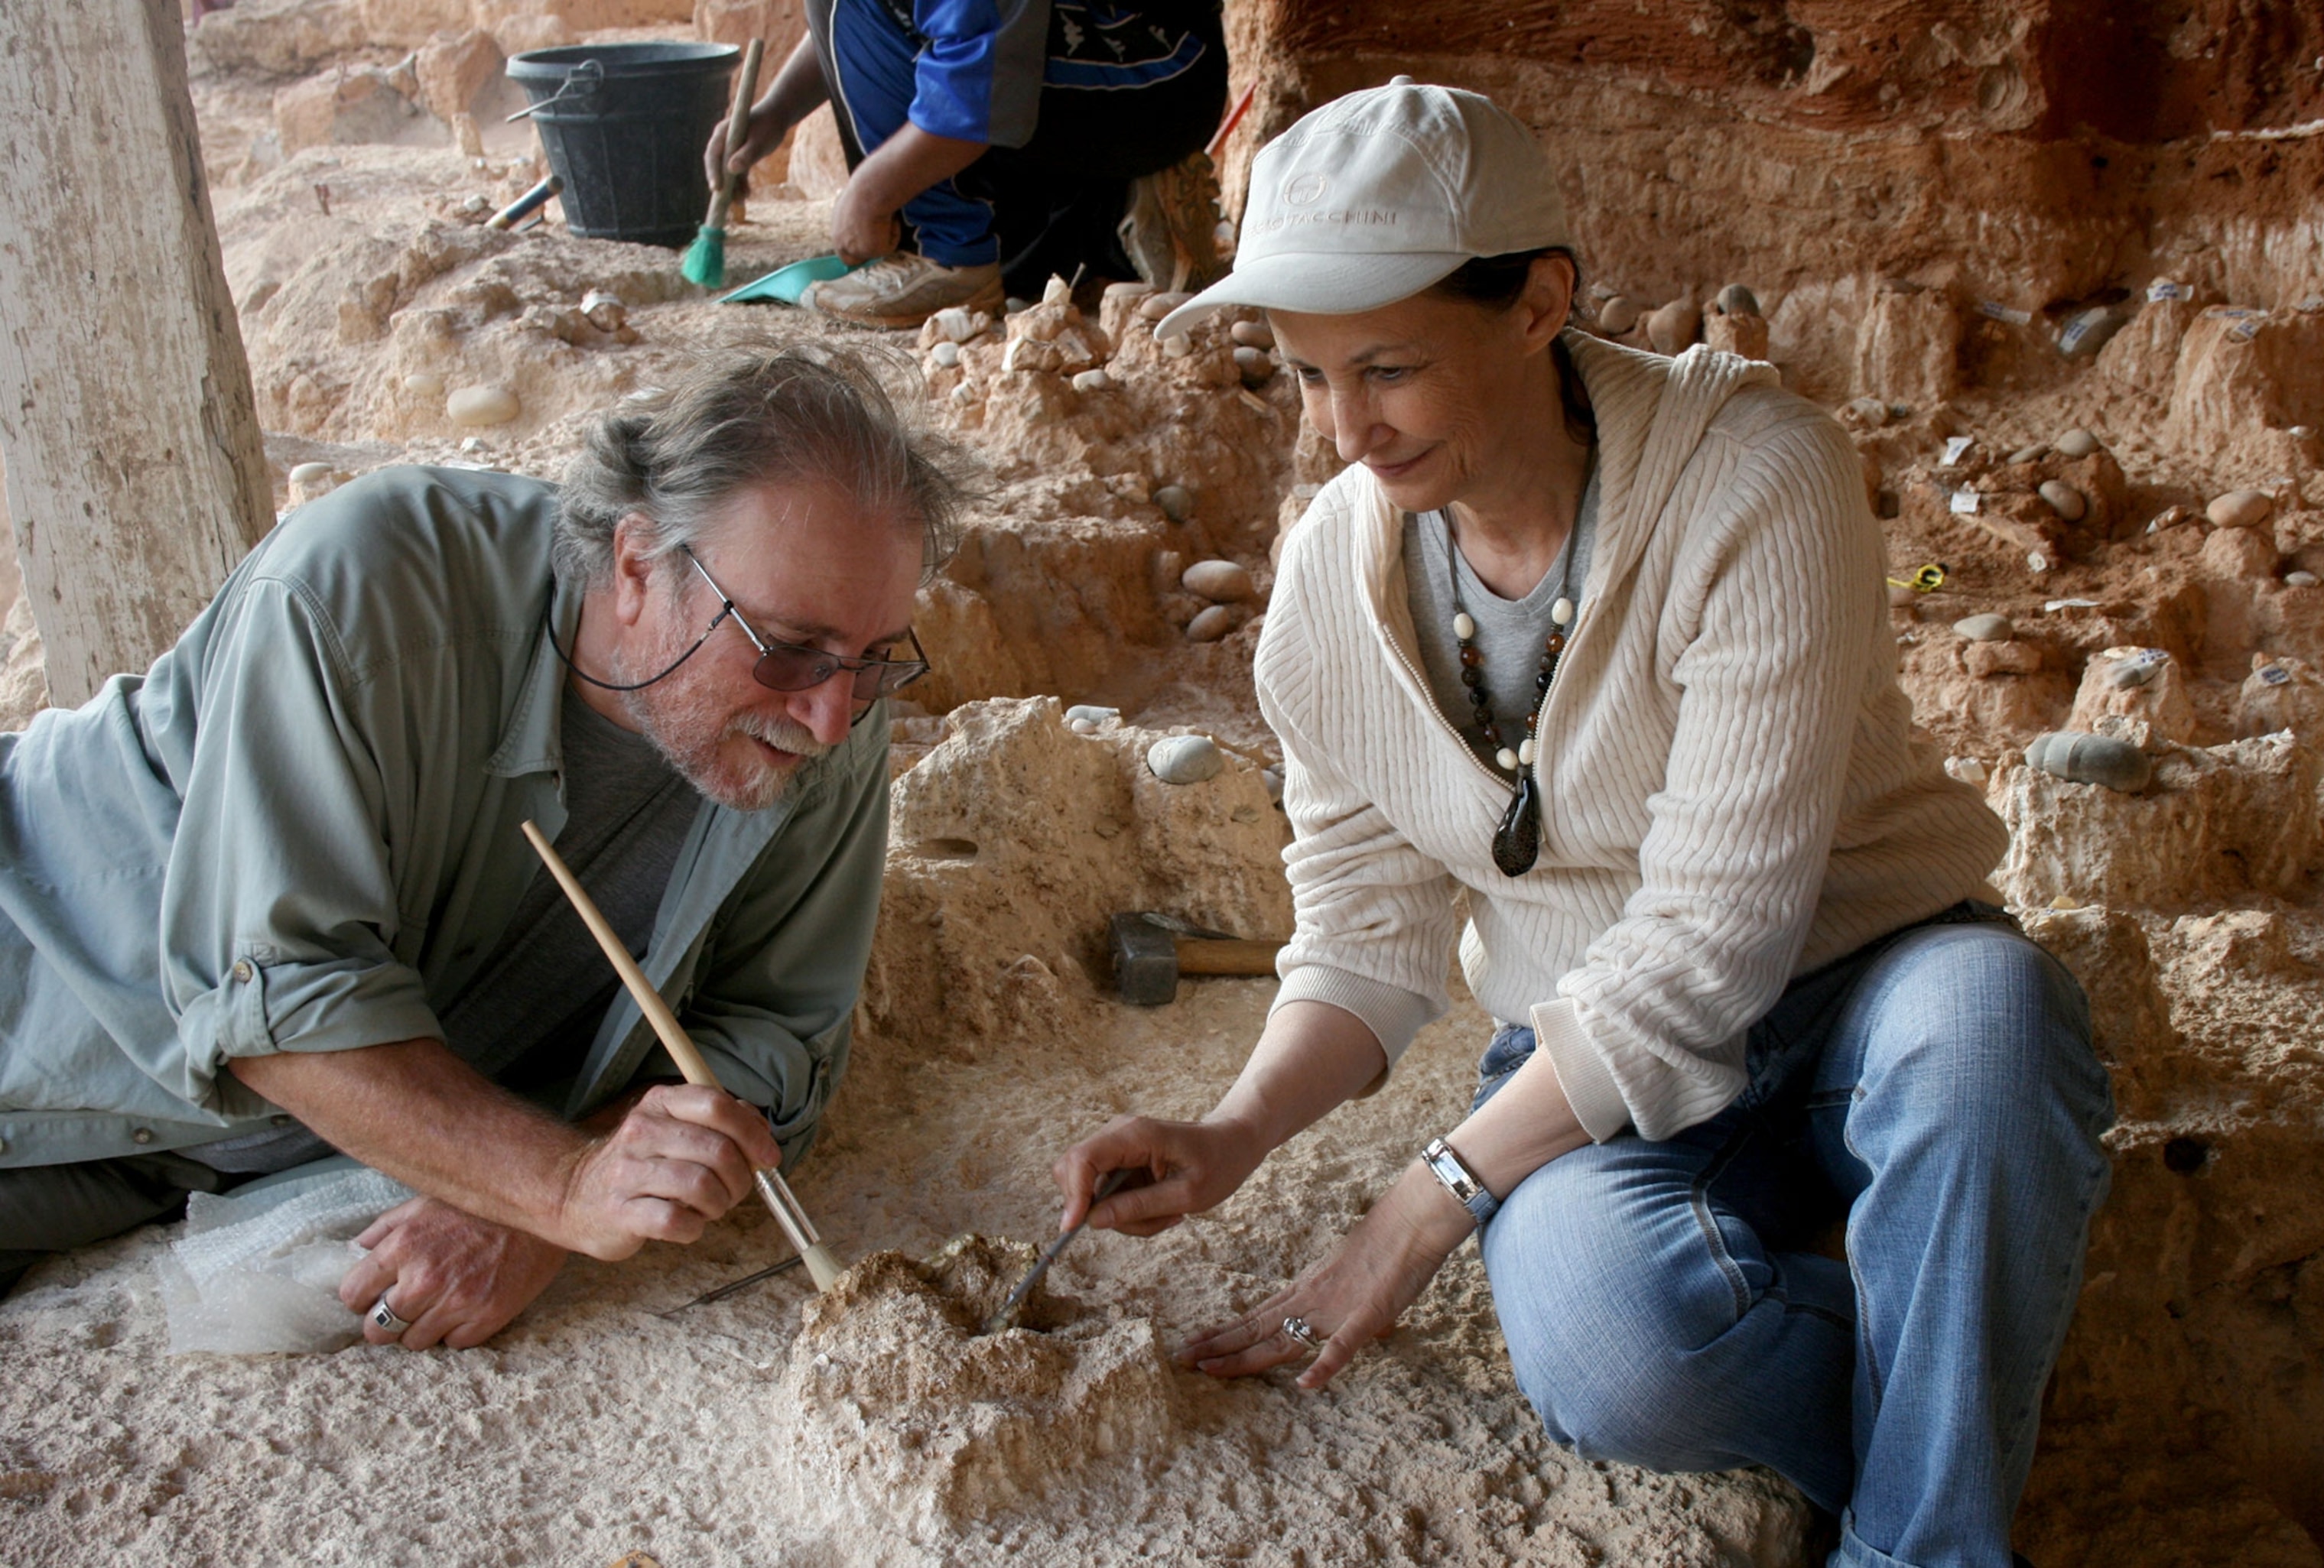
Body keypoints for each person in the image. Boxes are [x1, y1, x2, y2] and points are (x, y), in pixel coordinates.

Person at [1051, 81, 2112, 1568]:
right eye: (1307, 375)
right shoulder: (1323, 595)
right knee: (1615, 1349)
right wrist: (1233, 1130)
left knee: (1991, 1029)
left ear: (1540, 301)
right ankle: (1959, 1348)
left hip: (1873, 986)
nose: (1346, 428)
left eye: (1391, 366)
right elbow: (1367, 934)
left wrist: (1424, 1198)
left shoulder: (1756, 477)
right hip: (1581, 1054)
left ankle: (1922, 1539)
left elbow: (1714, 941)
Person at [0, 348, 967, 1349]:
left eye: (875, 659)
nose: (830, 714)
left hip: (213, 1168)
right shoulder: (368, 585)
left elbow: (776, 1039)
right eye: (787, 647)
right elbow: (272, 1003)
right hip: (50, 1031)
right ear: (639, 565)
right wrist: (550, 1185)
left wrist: (585, 1177)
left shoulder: (828, 723)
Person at [706, 0, 1228, 327]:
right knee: (1020, 269)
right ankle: (1112, 209)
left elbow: (974, 87)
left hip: (1162, 67)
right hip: (1129, 55)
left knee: (949, 183)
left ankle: (951, 260)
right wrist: (776, 111)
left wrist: (871, 193)